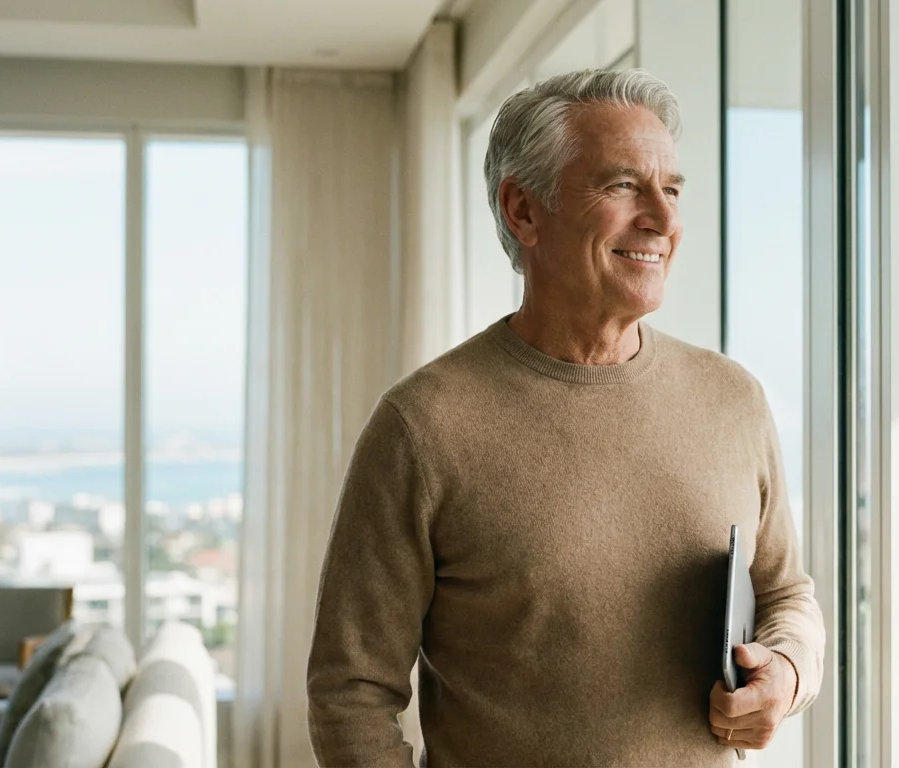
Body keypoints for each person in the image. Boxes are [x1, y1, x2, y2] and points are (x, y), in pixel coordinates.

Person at [306, 68, 825, 767]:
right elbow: (351, 693)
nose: (664, 220)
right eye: (621, 186)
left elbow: (788, 594)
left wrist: (787, 675)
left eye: (671, 190)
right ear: (523, 210)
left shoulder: (733, 398)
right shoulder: (422, 426)